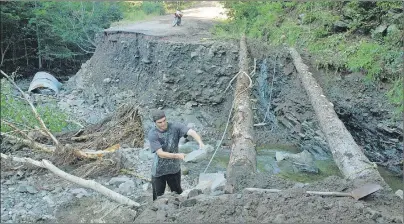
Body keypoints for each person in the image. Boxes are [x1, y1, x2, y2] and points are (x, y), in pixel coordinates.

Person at [148, 109, 205, 201]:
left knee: (178, 193)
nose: (163, 124)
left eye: (164, 120)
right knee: (158, 198)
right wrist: (178, 156)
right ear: (155, 123)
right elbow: (161, 154)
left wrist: (200, 142)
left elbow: (191, 132)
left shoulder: (175, 126)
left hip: (174, 169)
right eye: (160, 122)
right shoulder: (153, 134)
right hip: (158, 170)